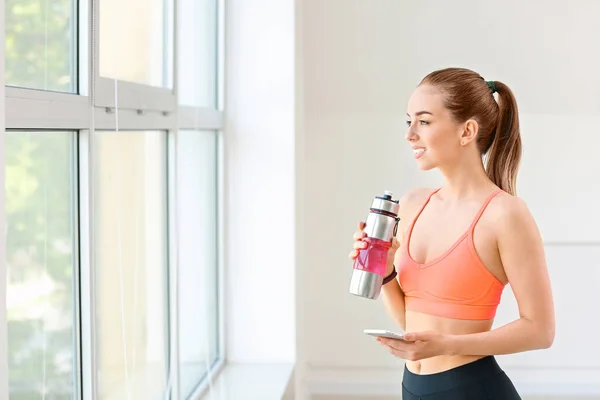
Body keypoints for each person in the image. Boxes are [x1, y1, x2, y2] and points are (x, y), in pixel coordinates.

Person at [349, 67, 555, 400]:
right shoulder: (413, 204)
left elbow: (540, 331)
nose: (410, 134)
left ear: (467, 131)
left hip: (472, 389)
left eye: (424, 121)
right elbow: (412, 324)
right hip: (413, 387)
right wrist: (385, 272)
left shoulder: (505, 215)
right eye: (408, 121)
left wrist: (448, 345)